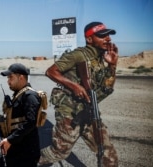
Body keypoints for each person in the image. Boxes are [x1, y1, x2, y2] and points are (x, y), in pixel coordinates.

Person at [39, 21, 119, 167]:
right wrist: (74, 86)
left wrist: (113, 65)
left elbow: (107, 88)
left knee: (108, 153)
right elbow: (50, 71)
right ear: (89, 39)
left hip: (89, 111)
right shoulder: (77, 55)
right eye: (102, 36)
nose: (108, 39)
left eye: (108, 35)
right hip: (70, 112)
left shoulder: (101, 58)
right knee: (58, 153)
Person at [0, 63, 41, 167]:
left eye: (11, 77)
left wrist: (10, 140)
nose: (8, 81)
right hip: (15, 148)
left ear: (21, 77)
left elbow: (30, 123)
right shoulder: (19, 95)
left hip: (25, 152)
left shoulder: (30, 96)